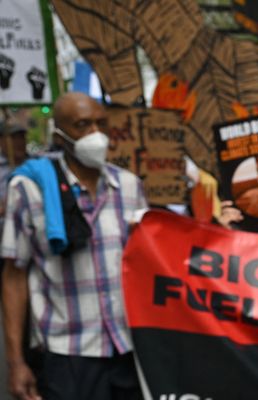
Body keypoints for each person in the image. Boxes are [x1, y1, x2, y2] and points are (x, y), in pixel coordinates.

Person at [2, 93, 149, 400]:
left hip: (128, 349)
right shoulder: (29, 190)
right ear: (60, 135)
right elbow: (14, 276)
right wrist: (16, 362)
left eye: (101, 124)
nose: (95, 134)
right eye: (83, 125)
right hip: (67, 354)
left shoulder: (130, 187)